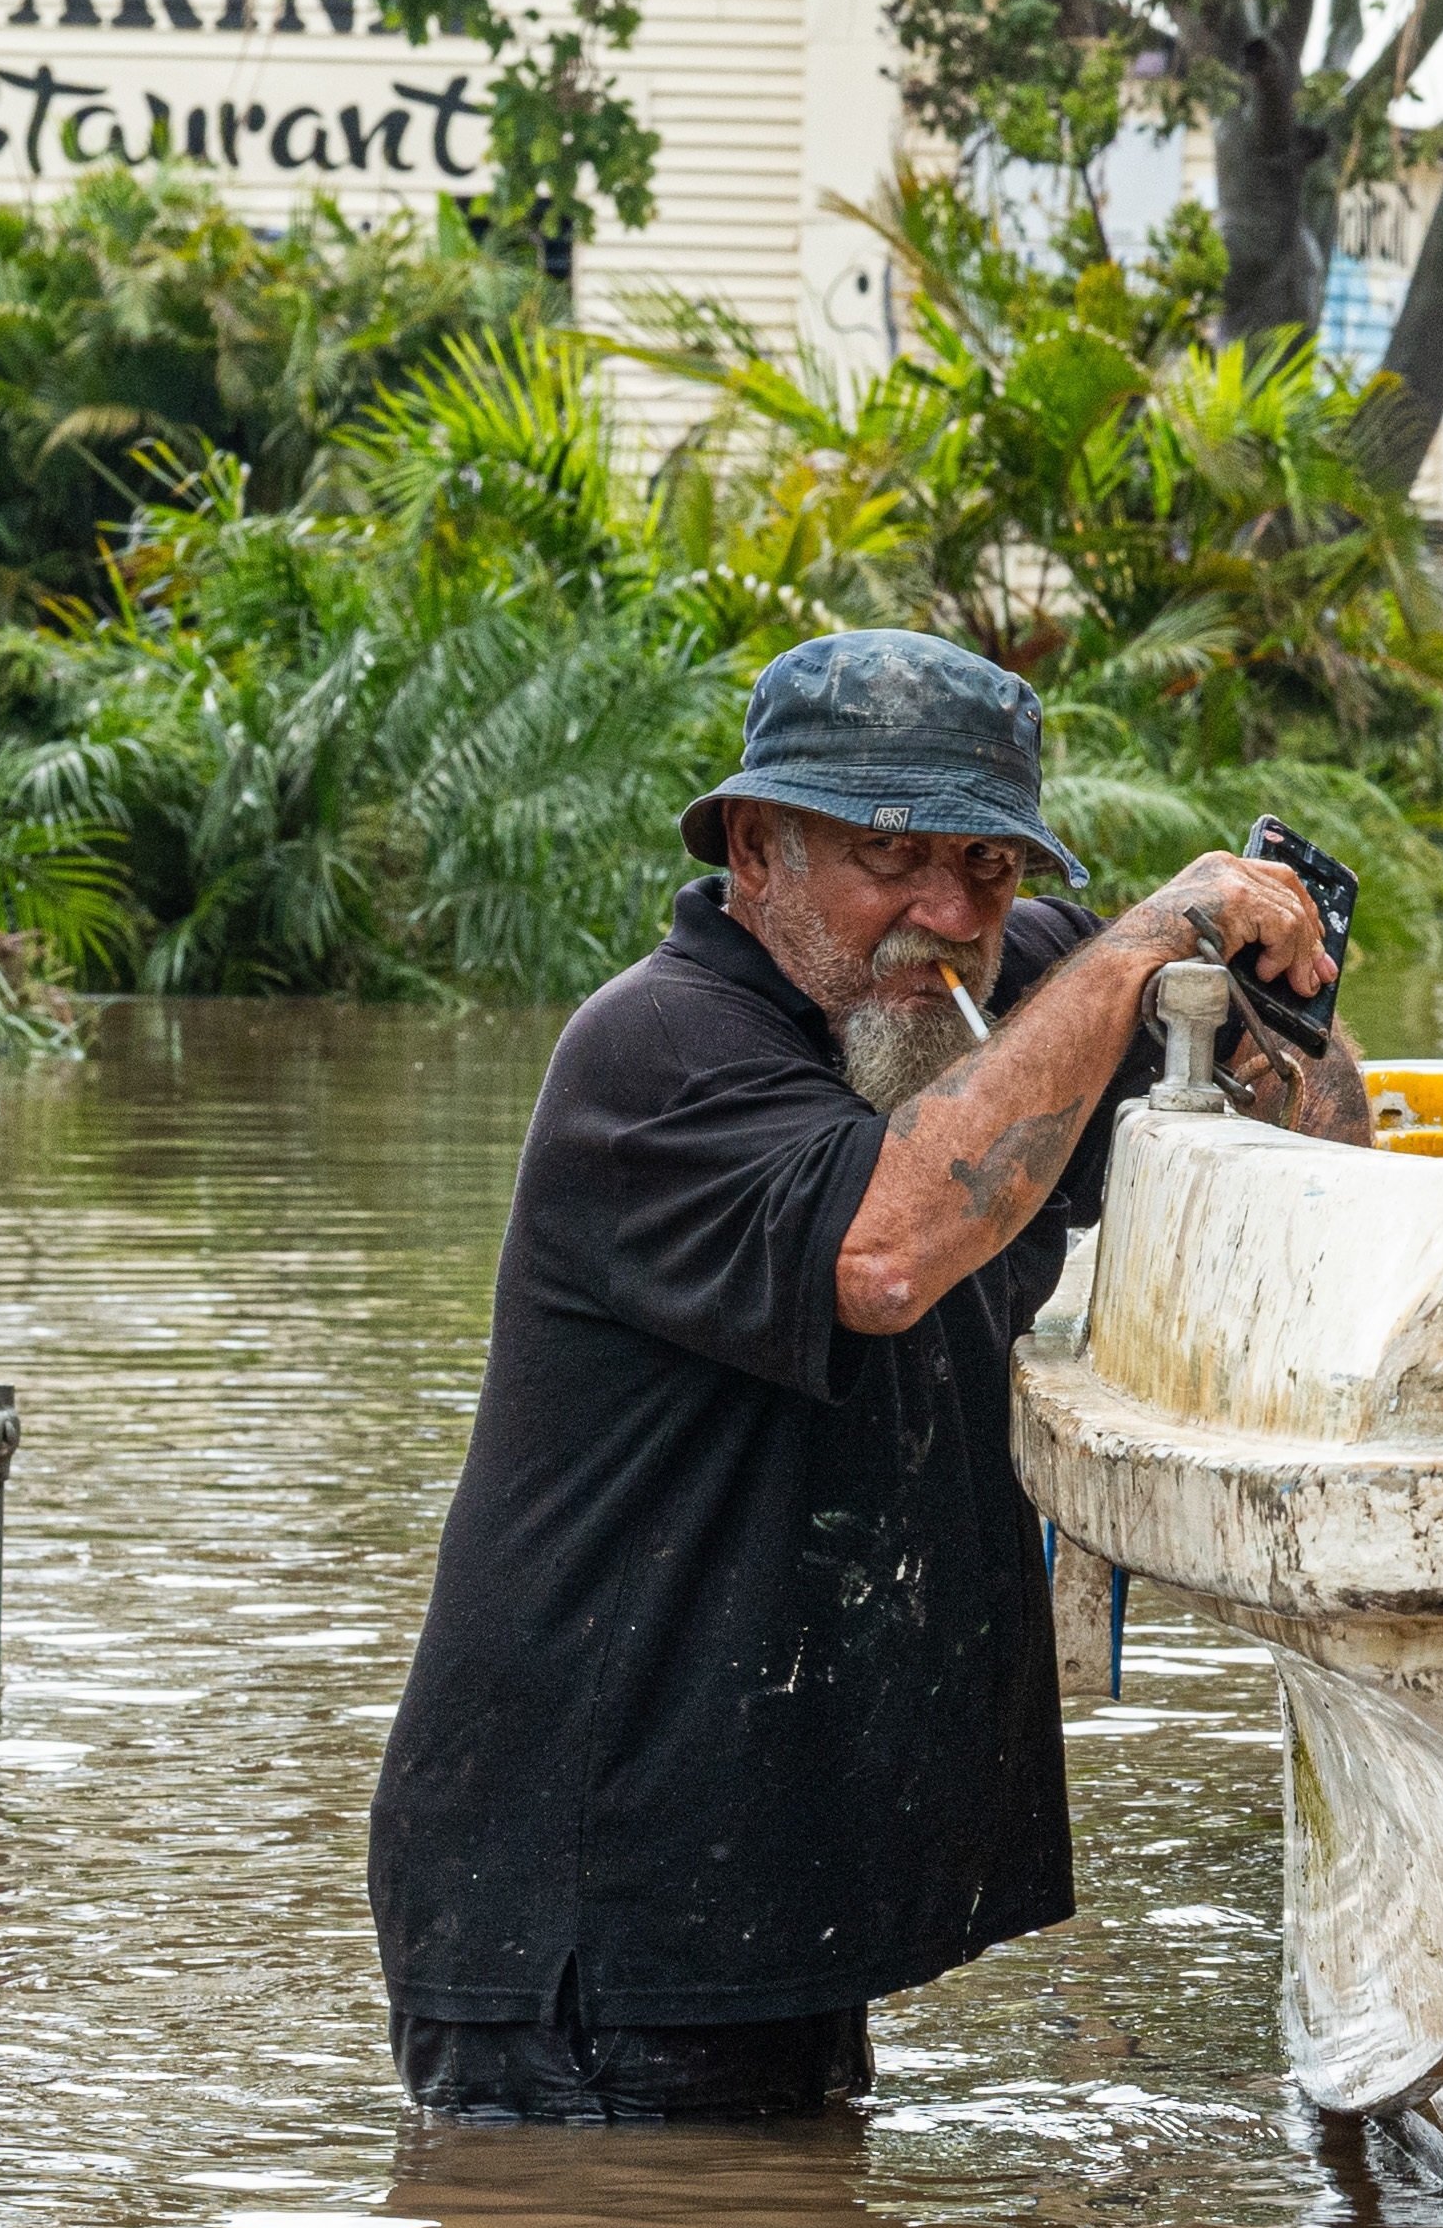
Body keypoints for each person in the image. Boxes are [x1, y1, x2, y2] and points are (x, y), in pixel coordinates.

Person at [370, 629, 1367, 2124]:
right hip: (589, 1897)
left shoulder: (1008, 990)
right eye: (889, 858)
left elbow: (1326, 1168)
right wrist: (1138, 946)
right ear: (756, 849)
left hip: (765, 1869)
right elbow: (887, 1256)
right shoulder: (654, 1052)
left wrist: (1280, 1006)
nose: (946, 918)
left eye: (987, 869)